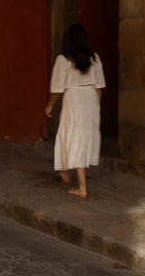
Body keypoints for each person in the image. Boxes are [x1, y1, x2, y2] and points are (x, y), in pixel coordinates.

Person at [44, 23, 104, 198]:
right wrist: (96, 108)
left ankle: (82, 188)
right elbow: (99, 86)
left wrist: (49, 105)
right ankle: (66, 172)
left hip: (74, 99)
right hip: (91, 98)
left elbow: (57, 88)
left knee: (73, 136)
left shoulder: (64, 60)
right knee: (82, 137)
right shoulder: (95, 58)